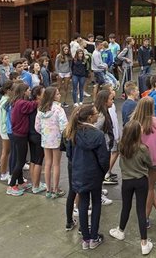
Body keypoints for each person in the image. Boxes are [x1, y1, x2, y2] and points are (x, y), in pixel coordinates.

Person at [108, 120, 154, 255]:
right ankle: (144, 242)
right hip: (141, 181)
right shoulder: (143, 148)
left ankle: (120, 231)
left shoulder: (122, 146)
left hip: (127, 181)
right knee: (141, 210)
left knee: (126, 207)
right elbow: (150, 163)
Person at [69, 104, 109, 250]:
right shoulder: (97, 135)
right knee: (96, 203)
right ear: (90, 117)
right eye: (96, 113)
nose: (98, 114)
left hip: (79, 172)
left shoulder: (73, 132)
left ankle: (85, 238)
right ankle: (94, 236)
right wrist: (103, 172)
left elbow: (69, 153)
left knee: (83, 204)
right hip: (94, 174)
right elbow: (104, 159)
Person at [131, 96, 156, 228]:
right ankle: (153, 212)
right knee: (151, 187)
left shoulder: (135, 123)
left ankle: (148, 215)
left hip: (140, 160)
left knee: (146, 188)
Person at [35, 86, 68, 198]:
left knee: (48, 163)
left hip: (45, 139)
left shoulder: (41, 109)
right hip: (57, 139)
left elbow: (37, 127)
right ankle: (55, 189)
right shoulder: (59, 109)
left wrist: (45, 133)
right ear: (53, 96)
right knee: (56, 164)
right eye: (57, 94)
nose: (59, 95)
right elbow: (64, 126)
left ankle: (48, 189)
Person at [7, 82, 39, 196]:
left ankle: (20, 182)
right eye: (28, 90)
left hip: (16, 134)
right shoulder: (22, 103)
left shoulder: (16, 102)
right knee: (20, 161)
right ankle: (11, 185)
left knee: (20, 159)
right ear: (24, 92)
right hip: (21, 135)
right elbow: (34, 104)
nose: (30, 91)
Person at [93, 89, 120, 186]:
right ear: (104, 101)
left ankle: (99, 190)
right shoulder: (101, 116)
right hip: (102, 146)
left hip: (106, 145)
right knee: (99, 170)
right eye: (111, 99)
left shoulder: (105, 112)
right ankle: (98, 192)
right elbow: (95, 130)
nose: (112, 101)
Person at [0, 80, 14, 182]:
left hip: (5, 129)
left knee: (7, 151)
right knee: (6, 151)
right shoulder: (6, 101)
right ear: (8, 90)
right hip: (5, 130)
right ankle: (3, 173)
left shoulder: (5, 99)